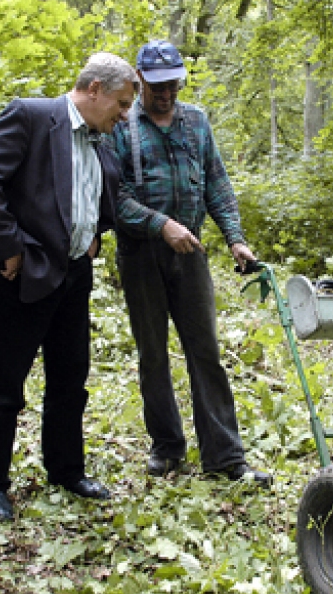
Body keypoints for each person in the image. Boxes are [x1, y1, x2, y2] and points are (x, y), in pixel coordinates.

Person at [0, 53, 138, 520]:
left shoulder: (100, 138)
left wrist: (96, 233)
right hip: (21, 274)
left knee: (69, 379)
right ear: (94, 89)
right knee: (4, 385)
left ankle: (66, 470)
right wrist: (8, 246)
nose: (125, 115)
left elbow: (97, 191)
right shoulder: (33, 116)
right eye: (121, 103)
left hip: (74, 274)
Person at [110, 39, 271, 486]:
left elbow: (216, 182)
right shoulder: (122, 126)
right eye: (157, 86)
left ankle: (225, 457)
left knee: (206, 352)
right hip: (141, 254)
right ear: (140, 80)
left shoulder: (197, 122)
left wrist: (235, 239)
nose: (166, 93)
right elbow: (114, 197)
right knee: (153, 354)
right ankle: (167, 448)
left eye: (173, 85)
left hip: (192, 253)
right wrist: (161, 225)